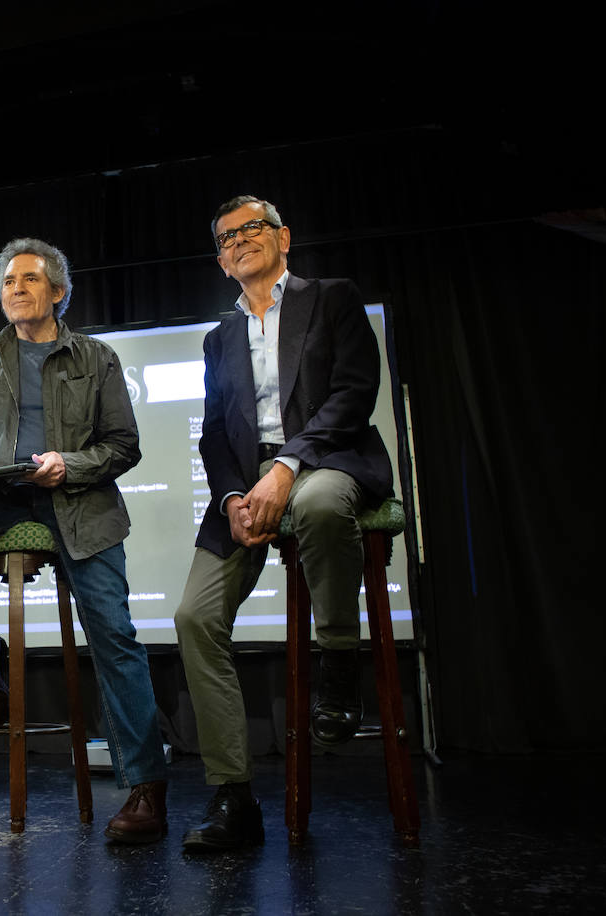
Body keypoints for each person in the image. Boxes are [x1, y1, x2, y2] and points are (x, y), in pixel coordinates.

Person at [0, 238, 169, 844]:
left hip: (80, 504)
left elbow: (123, 447)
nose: (17, 289)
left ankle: (145, 787)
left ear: (58, 291)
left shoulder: (96, 358)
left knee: (114, 634)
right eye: (8, 282)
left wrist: (68, 466)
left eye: (30, 279)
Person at [173, 196, 393, 850]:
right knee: (192, 615)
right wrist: (233, 498)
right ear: (219, 261)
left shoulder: (332, 298)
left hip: (327, 459)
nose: (240, 240)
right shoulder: (219, 340)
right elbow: (214, 437)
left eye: (252, 228)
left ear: (283, 237)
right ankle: (233, 796)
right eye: (227, 237)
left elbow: (353, 394)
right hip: (249, 487)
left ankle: (340, 667)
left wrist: (288, 466)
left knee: (323, 504)